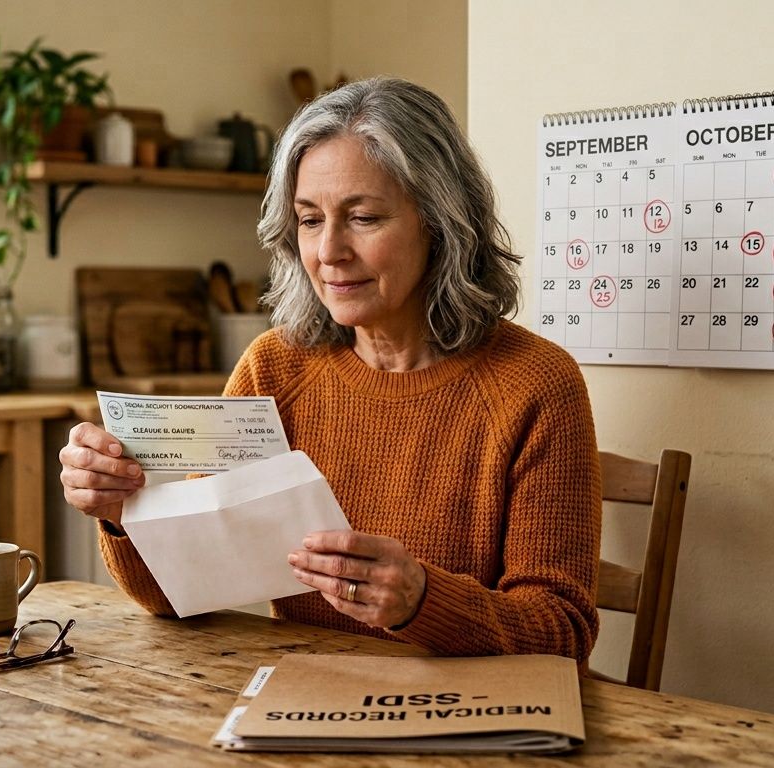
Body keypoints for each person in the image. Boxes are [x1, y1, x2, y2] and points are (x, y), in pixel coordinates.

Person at [59, 77, 603, 663]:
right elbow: (177, 595)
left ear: (442, 223)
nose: (328, 252)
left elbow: (562, 632)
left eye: (363, 218)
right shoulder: (274, 369)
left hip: (467, 724)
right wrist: (120, 514)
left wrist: (422, 601)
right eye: (310, 219)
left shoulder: (536, 385)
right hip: (301, 710)